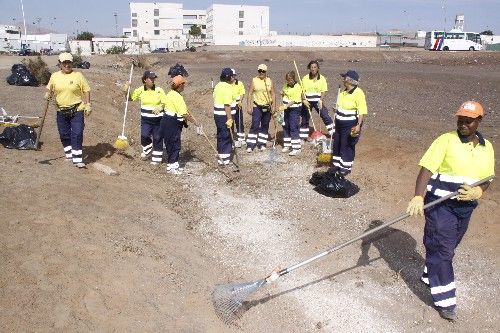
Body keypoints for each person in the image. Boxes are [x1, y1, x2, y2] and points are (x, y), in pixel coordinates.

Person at [406, 101, 495, 322]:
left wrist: (478, 192)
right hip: (440, 205)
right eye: (460, 119)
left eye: (468, 120)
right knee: (443, 251)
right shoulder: (445, 140)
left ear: (479, 121)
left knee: (446, 246)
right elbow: (426, 170)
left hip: (465, 206)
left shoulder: (487, 147)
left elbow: (487, 178)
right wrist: (418, 195)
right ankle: (446, 300)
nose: (463, 124)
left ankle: (430, 271)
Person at [44, 52, 91, 168]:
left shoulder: (78, 75)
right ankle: (69, 154)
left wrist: (88, 104)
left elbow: (86, 90)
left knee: (77, 132)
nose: (67, 65)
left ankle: (77, 158)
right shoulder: (55, 76)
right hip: (61, 110)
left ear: (72, 63)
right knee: (64, 134)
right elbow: (49, 88)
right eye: (64, 62)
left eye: (69, 62)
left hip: (77, 109)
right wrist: (47, 94)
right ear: (59, 63)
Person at [330, 70, 367, 176]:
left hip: (350, 124)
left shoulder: (358, 93)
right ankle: (337, 165)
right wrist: (336, 109)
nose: (343, 79)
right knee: (337, 144)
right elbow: (340, 106)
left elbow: (362, 111)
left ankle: (345, 167)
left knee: (346, 145)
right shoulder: (343, 92)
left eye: (344, 78)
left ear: (350, 81)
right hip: (339, 123)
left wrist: (358, 125)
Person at [161, 75, 199, 174]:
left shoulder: (170, 93)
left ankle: (173, 164)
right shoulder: (177, 97)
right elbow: (184, 113)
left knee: (171, 143)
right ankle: (172, 166)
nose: (184, 86)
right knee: (174, 144)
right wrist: (195, 122)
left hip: (167, 120)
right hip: (173, 122)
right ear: (180, 85)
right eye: (183, 84)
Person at [128, 70, 165, 165]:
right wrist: (126, 91)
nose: (153, 80)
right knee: (144, 136)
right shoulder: (140, 90)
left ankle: (157, 159)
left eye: (154, 78)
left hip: (158, 120)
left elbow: (165, 102)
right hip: (146, 120)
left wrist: (161, 107)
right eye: (151, 78)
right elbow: (130, 98)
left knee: (157, 138)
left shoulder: (159, 90)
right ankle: (148, 150)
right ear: (145, 80)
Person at [300, 60, 334, 140]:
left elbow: (323, 91)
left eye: (315, 67)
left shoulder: (322, 78)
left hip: (318, 100)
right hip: (307, 101)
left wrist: (321, 100)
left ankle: (334, 134)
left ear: (318, 68)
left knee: (325, 116)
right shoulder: (305, 78)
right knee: (305, 118)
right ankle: (303, 137)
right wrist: (304, 99)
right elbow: (302, 90)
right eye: (311, 67)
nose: (313, 69)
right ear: (309, 68)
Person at [246, 63, 276, 152]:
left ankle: (261, 144)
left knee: (265, 125)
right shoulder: (254, 80)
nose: (261, 72)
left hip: (267, 106)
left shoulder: (270, 81)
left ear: (266, 72)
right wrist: (249, 106)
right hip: (257, 106)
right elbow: (250, 93)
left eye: (263, 71)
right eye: (259, 71)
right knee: (255, 125)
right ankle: (250, 145)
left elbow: (273, 94)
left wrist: (274, 106)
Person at [213, 68, 235, 165]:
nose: (233, 78)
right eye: (232, 76)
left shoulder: (218, 85)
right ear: (229, 77)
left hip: (217, 115)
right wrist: (229, 118)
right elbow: (227, 105)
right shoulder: (228, 87)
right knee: (226, 136)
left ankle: (221, 157)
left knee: (221, 135)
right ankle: (224, 160)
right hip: (224, 115)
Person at [280, 71, 303, 156]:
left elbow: (293, 100)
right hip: (286, 109)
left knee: (293, 127)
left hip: (294, 109)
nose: (288, 81)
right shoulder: (286, 85)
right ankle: (287, 145)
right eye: (287, 80)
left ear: (293, 79)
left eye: (290, 79)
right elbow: (284, 93)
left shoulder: (297, 87)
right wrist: (282, 93)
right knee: (286, 126)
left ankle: (296, 148)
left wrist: (285, 106)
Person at [231, 68, 246, 148]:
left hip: (238, 104)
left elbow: (242, 93)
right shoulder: (227, 84)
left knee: (239, 121)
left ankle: (241, 138)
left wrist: (240, 101)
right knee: (231, 122)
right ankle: (232, 138)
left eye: (233, 76)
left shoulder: (239, 83)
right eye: (231, 76)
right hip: (230, 105)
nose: (232, 77)